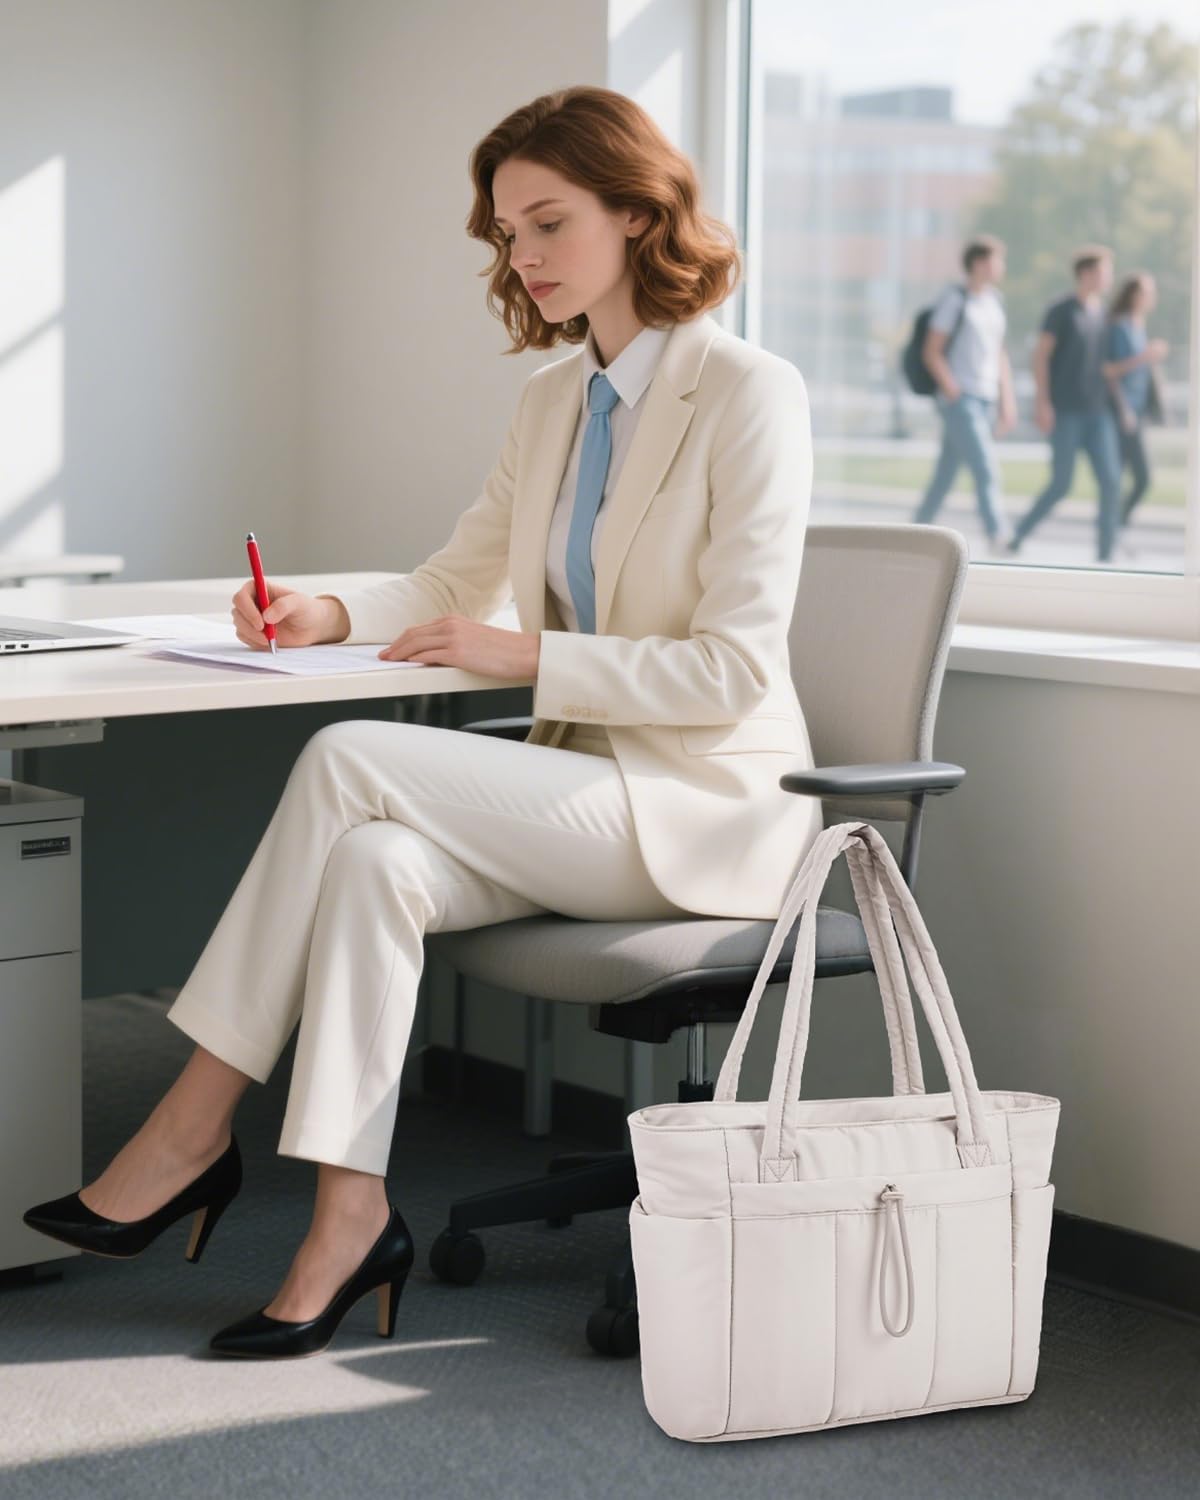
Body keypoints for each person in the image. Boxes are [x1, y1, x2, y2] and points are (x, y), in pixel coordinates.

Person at [22, 86, 824, 1359]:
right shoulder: (558, 402)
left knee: (347, 758)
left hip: (704, 813)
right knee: (374, 860)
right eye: (507, 235)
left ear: (637, 210)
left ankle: (187, 1130)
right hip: (581, 793)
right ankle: (350, 1218)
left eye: (549, 222)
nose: (524, 256)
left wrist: (530, 654)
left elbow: (731, 670)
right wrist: (323, 611)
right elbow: (457, 582)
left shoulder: (748, 394)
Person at [1008, 246, 1122, 563]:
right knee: (1061, 484)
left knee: (1111, 483)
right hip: (1065, 411)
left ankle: (1105, 556)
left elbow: (1105, 366)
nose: (1108, 278)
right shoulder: (1061, 310)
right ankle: (1017, 536)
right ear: (1085, 274)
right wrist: (1043, 403)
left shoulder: (1102, 313)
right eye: (1103, 271)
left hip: (1098, 413)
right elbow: (1040, 356)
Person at [912, 234, 1017, 556]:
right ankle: (998, 535)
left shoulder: (993, 302)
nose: (1000, 266)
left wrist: (1006, 400)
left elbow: (999, 354)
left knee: (945, 475)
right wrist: (953, 391)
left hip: (985, 397)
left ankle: (915, 530)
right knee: (986, 467)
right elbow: (933, 351)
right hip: (962, 400)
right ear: (978, 263)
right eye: (995, 260)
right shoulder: (955, 300)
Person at [1101, 271, 1169, 546]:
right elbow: (1110, 372)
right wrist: (1145, 356)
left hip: (1137, 412)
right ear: (1133, 295)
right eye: (1147, 292)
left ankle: (1113, 532)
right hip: (1122, 413)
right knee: (1136, 477)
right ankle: (1112, 533)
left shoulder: (1138, 325)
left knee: (1128, 478)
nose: (1152, 297)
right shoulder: (1118, 326)